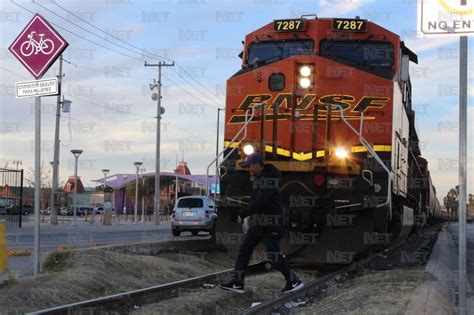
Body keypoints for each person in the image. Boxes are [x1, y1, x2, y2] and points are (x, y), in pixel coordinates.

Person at [219, 153, 303, 294]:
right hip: (259, 223)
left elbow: (260, 202)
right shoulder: (259, 179)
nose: (248, 169)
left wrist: (243, 213)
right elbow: (255, 201)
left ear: (257, 164)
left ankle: (294, 281)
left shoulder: (268, 180)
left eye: (250, 166)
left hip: (271, 223)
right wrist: (247, 215)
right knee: (245, 249)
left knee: (273, 256)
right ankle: (237, 282)